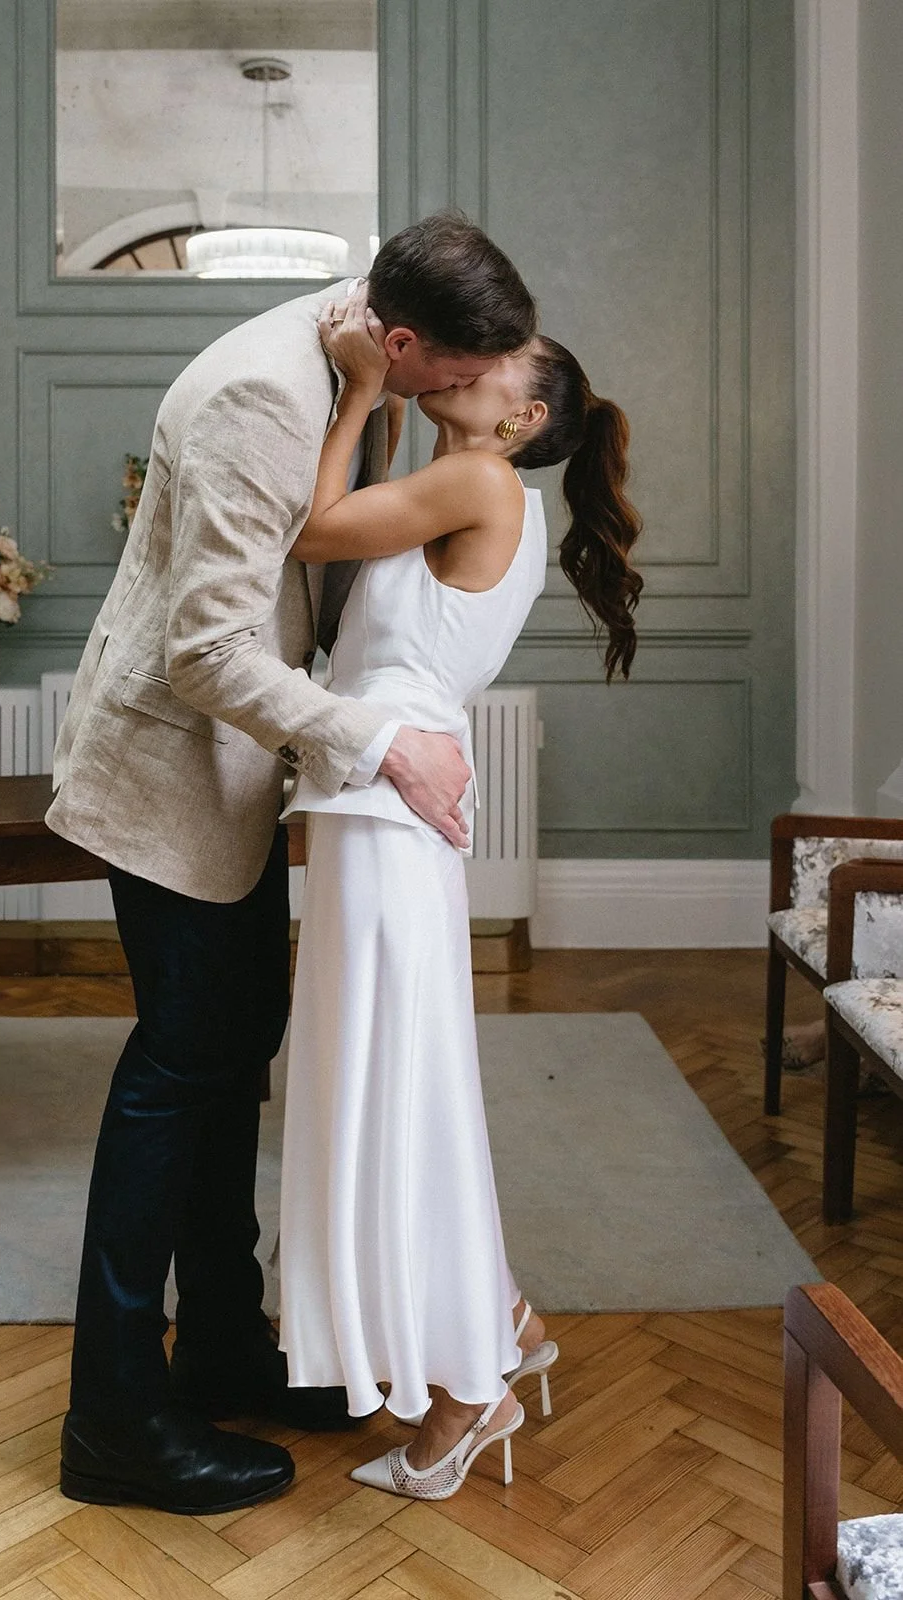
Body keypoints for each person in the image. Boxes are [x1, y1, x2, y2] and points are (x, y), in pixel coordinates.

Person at [44, 213, 538, 1516]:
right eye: (449, 374)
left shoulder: (359, 361)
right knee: (178, 1070)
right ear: (400, 337)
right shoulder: (261, 395)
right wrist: (381, 742)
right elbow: (208, 655)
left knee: (228, 1048)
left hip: (242, 774)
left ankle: (220, 1348)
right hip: (171, 776)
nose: (466, 400)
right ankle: (112, 1417)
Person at [277, 287, 643, 1499]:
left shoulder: (486, 484)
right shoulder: (473, 489)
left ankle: (468, 1393)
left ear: (520, 413)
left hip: (387, 814)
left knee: (391, 1091)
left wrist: (364, 385)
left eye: (493, 363)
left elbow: (313, 528)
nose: (467, 364)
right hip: (376, 803)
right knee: (390, 1081)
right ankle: (501, 1319)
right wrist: (372, 406)